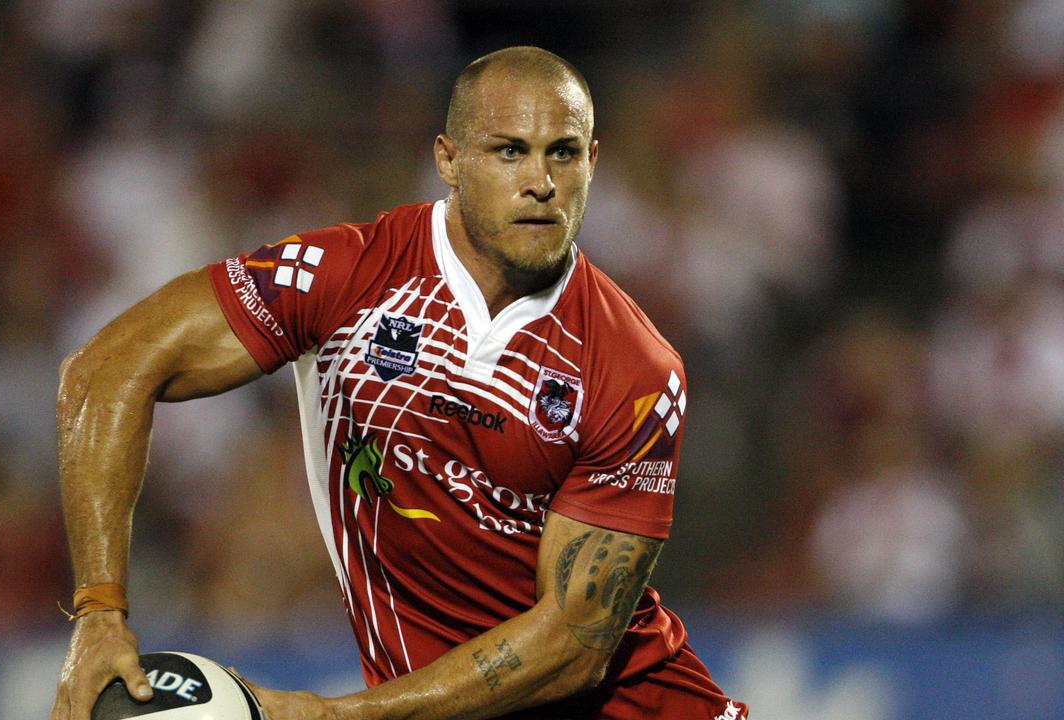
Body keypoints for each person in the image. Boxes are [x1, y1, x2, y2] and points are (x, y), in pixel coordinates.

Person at [51, 46, 748, 720]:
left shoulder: (636, 371)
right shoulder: (347, 276)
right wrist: (100, 614)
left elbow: (573, 646)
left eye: (562, 152)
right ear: (448, 159)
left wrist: (342, 716)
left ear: (593, 163)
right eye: (510, 151)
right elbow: (105, 372)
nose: (541, 181)